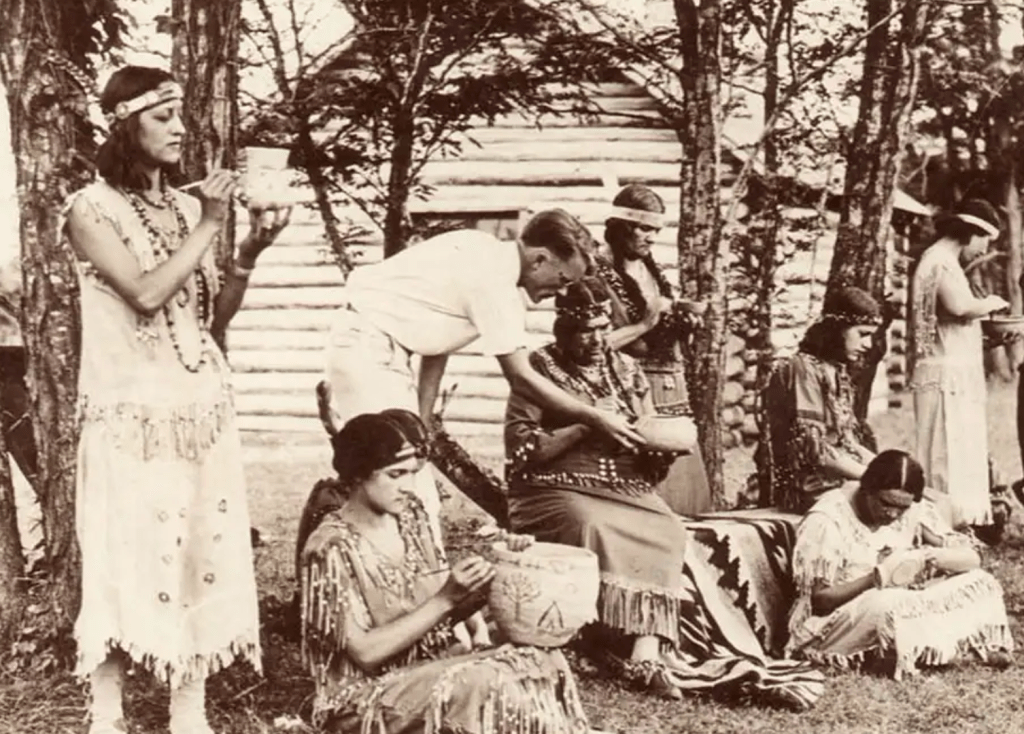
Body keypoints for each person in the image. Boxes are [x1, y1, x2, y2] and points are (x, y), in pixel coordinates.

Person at [65, 66, 291, 734]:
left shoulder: (189, 209)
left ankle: (186, 711)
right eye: (165, 116)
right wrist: (214, 221)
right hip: (129, 415)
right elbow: (144, 293)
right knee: (122, 552)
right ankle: (106, 714)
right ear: (124, 123)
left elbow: (209, 317)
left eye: (182, 116)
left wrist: (246, 253)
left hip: (199, 408)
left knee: (199, 548)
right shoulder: (89, 208)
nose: (181, 129)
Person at [505, 278, 824, 710]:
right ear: (563, 329)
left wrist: (659, 448)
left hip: (621, 484)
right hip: (553, 486)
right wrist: (588, 424)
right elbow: (523, 450)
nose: (598, 339)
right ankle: (594, 636)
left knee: (669, 531)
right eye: (586, 330)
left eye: (603, 326)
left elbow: (647, 430)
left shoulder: (626, 369)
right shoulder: (537, 369)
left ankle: (646, 650)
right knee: (592, 526)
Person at [322, 209, 644, 539]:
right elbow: (521, 377)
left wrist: (423, 419)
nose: (561, 293)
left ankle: (412, 576)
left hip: (377, 351)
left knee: (409, 480)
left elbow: (437, 342)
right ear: (540, 259)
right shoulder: (494, 283)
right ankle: (387, 575)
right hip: (367, 352)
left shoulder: (481, 248)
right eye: (563, 280)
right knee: (393, 481)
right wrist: (595, 417)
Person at [299, 411, 592, 734]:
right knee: (485, 681)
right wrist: (445, 598)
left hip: (428, 668)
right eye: (395, 475)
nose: (408, 486)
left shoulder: (411, 516)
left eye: (412, 473)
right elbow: (366, 653)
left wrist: (508, 565)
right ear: (357, 476)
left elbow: (444, 614)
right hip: (363, 697)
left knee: (543, 661)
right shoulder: (329, 548)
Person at [788, 450, 1014, 679]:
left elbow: (971, 558)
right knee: (890, 603)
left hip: (905, 600)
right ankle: (948, 652)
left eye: (902, 508)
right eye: (886, 504)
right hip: (838, 619)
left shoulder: (911, 510)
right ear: (867, 489)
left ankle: (928, 650)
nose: (893, 514)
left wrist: (929, 557)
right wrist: (875, 578)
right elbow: (819, 601)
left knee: (980, 582)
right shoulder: (828, 519)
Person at [593, 184, 711, 514]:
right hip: (628, 391)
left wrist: (683, 326)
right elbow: (593, 344)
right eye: (644, 228)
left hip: (672, 389)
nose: (651, 238)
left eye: (656, 230)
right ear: (620, 227)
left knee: (684, 484)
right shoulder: (595, 272)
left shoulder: (650, 270)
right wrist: (644, 324)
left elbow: (662, 331)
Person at [909, 198, 1009, 528]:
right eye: (984, 241)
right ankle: (945, 523)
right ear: (970, 232)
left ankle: (958, 523)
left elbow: (949, 325)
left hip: (950, 371)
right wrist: (992, 303)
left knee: (959, 449)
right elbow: (960, 307)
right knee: (946, 451)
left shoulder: (944, 262)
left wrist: (990, 337)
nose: (983, 250)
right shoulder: (939, 262)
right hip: (945, 377)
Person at [754, 286, 881, 514]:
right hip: (807, 489)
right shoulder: (801, 370)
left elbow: (848, 442)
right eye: (862, 334)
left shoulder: (837, 371)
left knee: (918, 494)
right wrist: (875, 478)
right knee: (890, 501)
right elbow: (815, 451)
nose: (868, 345)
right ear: (837, 329)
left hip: (841, 480)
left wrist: (887, 468)